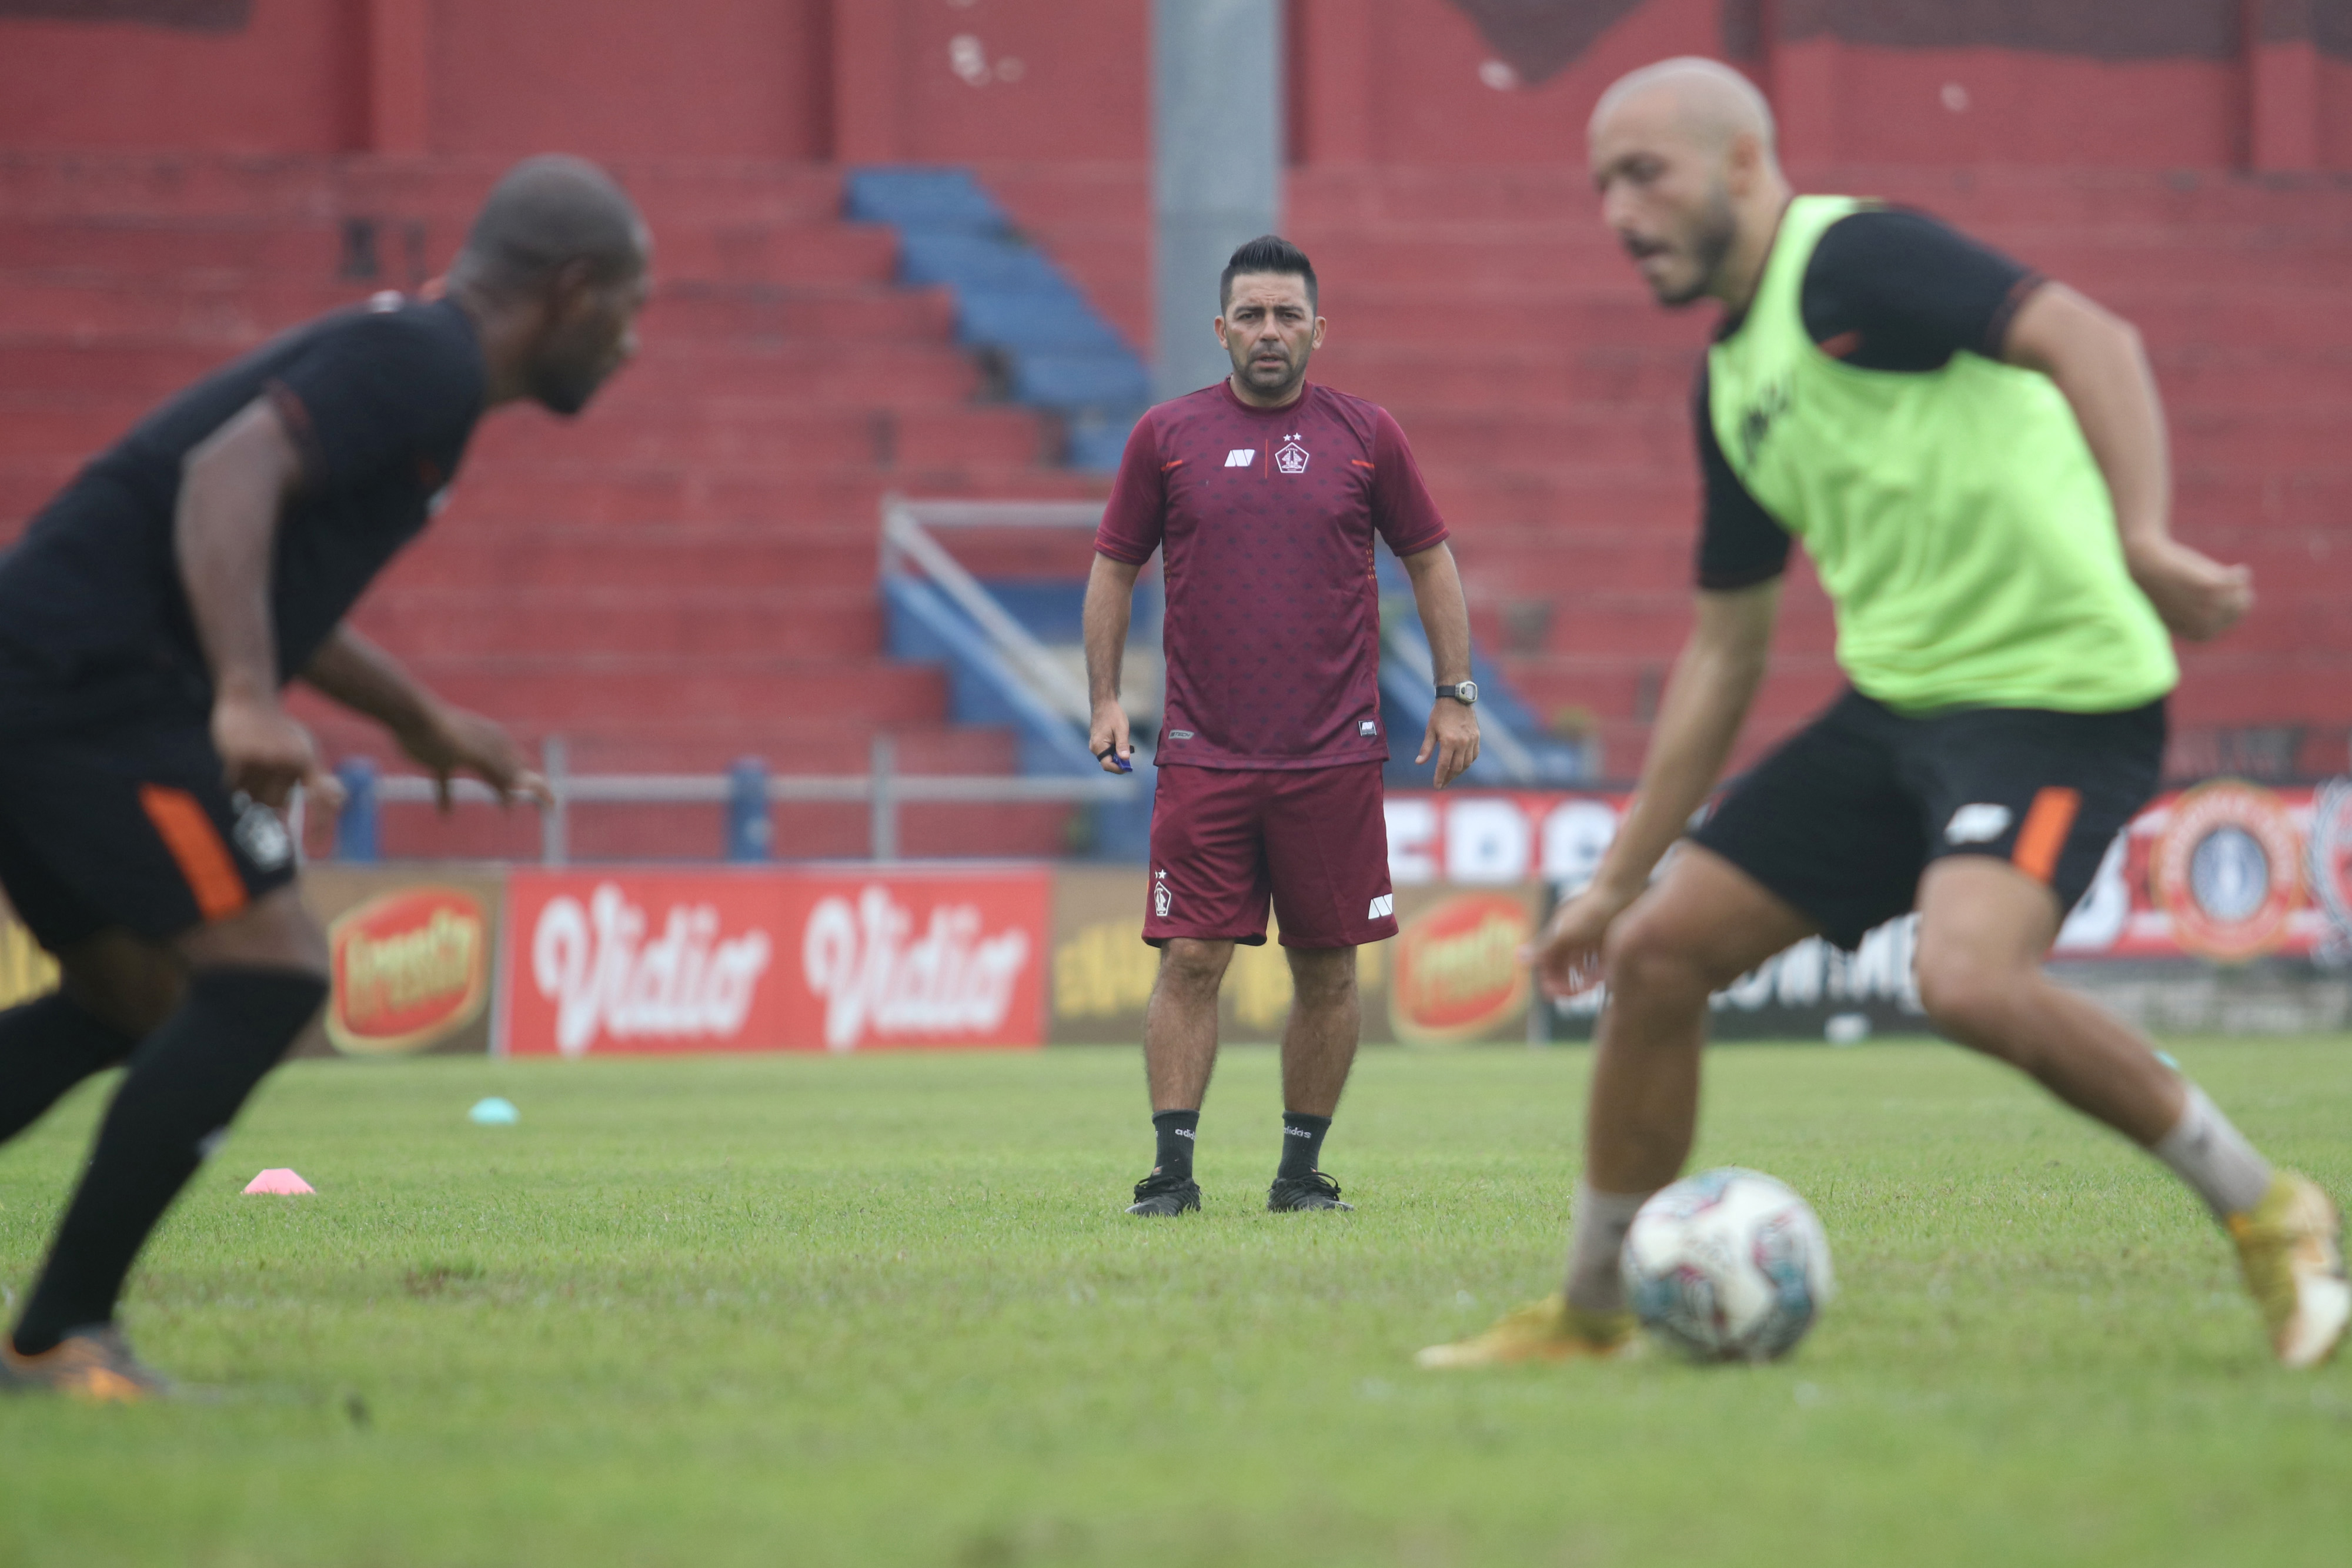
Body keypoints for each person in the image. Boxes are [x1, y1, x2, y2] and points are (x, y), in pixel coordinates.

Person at [1423, 59, 2346, 1370]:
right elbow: (1725, 650)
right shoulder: (1729, 384)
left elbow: (2091, 339)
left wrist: (2142, 537)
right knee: (1657, 954)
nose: (1619, 214)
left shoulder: (1852, 260)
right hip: (1898, 709)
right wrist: (1616, 883)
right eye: (1601, 188)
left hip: (2054, 696)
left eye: (1645, 175)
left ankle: (2267, 1210)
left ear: (1743, 164)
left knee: (1964, 978)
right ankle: (1589, 1313)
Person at [0, 156, 652, 1400]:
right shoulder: (428, 359)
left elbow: (276, 571)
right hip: (90, 689)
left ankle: (57, 1332)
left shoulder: (421, 372)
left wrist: (422, 721)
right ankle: (61, 1331)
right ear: (573, 290)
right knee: (270, 973)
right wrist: (246, 694)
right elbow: (227, 477)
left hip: (51, 678)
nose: (631, 342)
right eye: (631, 305)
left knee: (134, 997)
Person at [1087, 236, 1481, 1217]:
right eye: (1253, 315)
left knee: (1328, 969)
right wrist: (1105, 698)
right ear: (1222, 328)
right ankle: (1171, 1176)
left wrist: (1456, 691)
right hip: (1204, 753)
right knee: (1191, 959)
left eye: (1288, 315)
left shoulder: (1368, 435)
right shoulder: (1167, 436)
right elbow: (1115, 569)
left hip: (1332, 757)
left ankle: (1300, 1176)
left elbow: (1430, 560)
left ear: (1317, 329)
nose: (1270, 331)